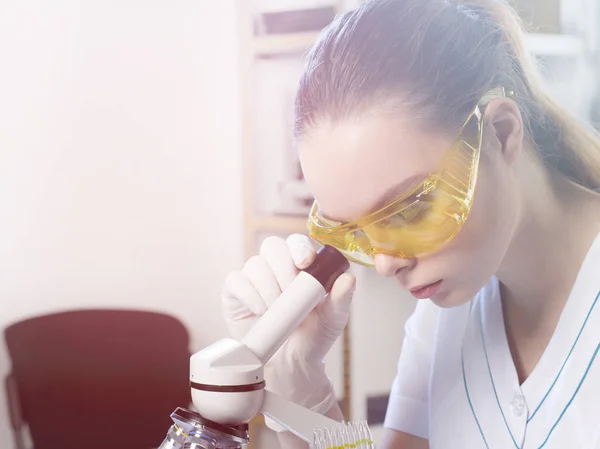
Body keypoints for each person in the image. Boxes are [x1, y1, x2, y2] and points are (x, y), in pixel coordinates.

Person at [221, 0, 600, 447]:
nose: (385, 263)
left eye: (409, 209)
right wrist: (304, 391)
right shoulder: (447, 311)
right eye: (354, 231)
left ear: (499, 133)